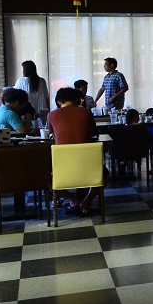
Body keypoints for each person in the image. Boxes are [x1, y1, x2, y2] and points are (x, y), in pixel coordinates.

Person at [48, 86, 107, 216]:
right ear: (77, 100)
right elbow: (92, 131)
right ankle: (87, 201)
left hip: (62, 166)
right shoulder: (86, 113)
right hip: (87, 164)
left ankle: (74, 201)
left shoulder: (51, 115)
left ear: (58, 102)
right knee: (105, 176)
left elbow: (51, 134)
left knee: (47, 180)